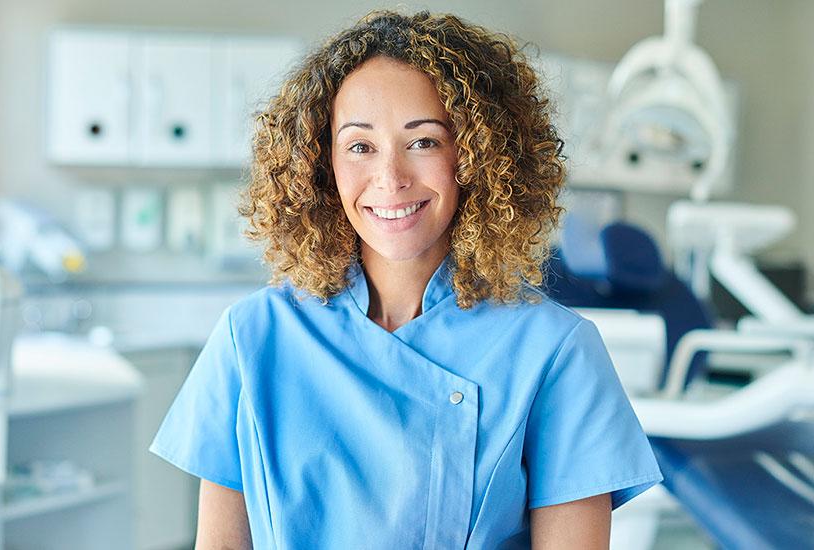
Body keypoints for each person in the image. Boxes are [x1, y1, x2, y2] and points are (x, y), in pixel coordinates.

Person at [150, 10, 662, 549]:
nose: (390, 178)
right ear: (322, 165)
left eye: (423, 142)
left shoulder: (555, 352)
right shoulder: (253, 336)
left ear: (477, 157)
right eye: (360, 146)